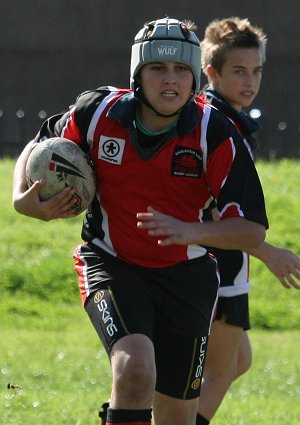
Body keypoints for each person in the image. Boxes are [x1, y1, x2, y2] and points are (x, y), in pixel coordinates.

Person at [12, 17, 269, 425]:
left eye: (181, 70)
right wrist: (20, 198)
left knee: (176, 417)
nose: (170, 81)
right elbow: (39, 143)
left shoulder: (214, 133)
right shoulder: (98, 112)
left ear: (195, 78)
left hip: (187, 277)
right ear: (137, 73)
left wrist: (192, 231)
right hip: (112, 263)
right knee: (134, 370)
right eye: (157, 69)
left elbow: (252, 229)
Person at [194, 17, 300, 425]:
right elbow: (221, 209)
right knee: (219, 371)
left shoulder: (225, 119)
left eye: (256, 71)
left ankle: (145, 415)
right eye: (238, 71)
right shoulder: (218, 125)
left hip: (225, 261)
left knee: (238, 360)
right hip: (219, 263)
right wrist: (270, 252)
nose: (249, 81)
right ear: (211, 73)